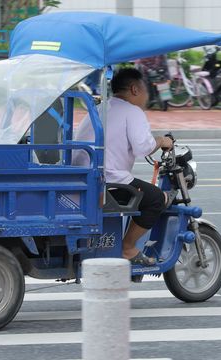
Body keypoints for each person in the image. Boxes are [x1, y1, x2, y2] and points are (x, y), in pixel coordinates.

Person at [72, 68, 174, 266]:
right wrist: (162, 141)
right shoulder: (132, 111)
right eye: (145, 89)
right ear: (135, 89)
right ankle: (127, 248)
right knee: (155, 199)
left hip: (84, 178)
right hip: (106, 181)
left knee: (140, 191)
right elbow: (143, 147)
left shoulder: (101, 108)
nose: (146, 96)